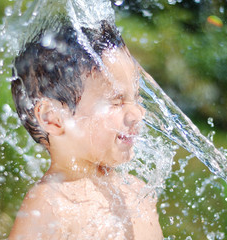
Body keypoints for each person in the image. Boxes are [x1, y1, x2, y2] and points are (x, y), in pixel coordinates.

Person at [9, 20, 163, 240]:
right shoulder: (50, 204)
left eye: (136, 98)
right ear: (52, 117)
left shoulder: (138, 192)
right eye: (117, 101)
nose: (137, 113)